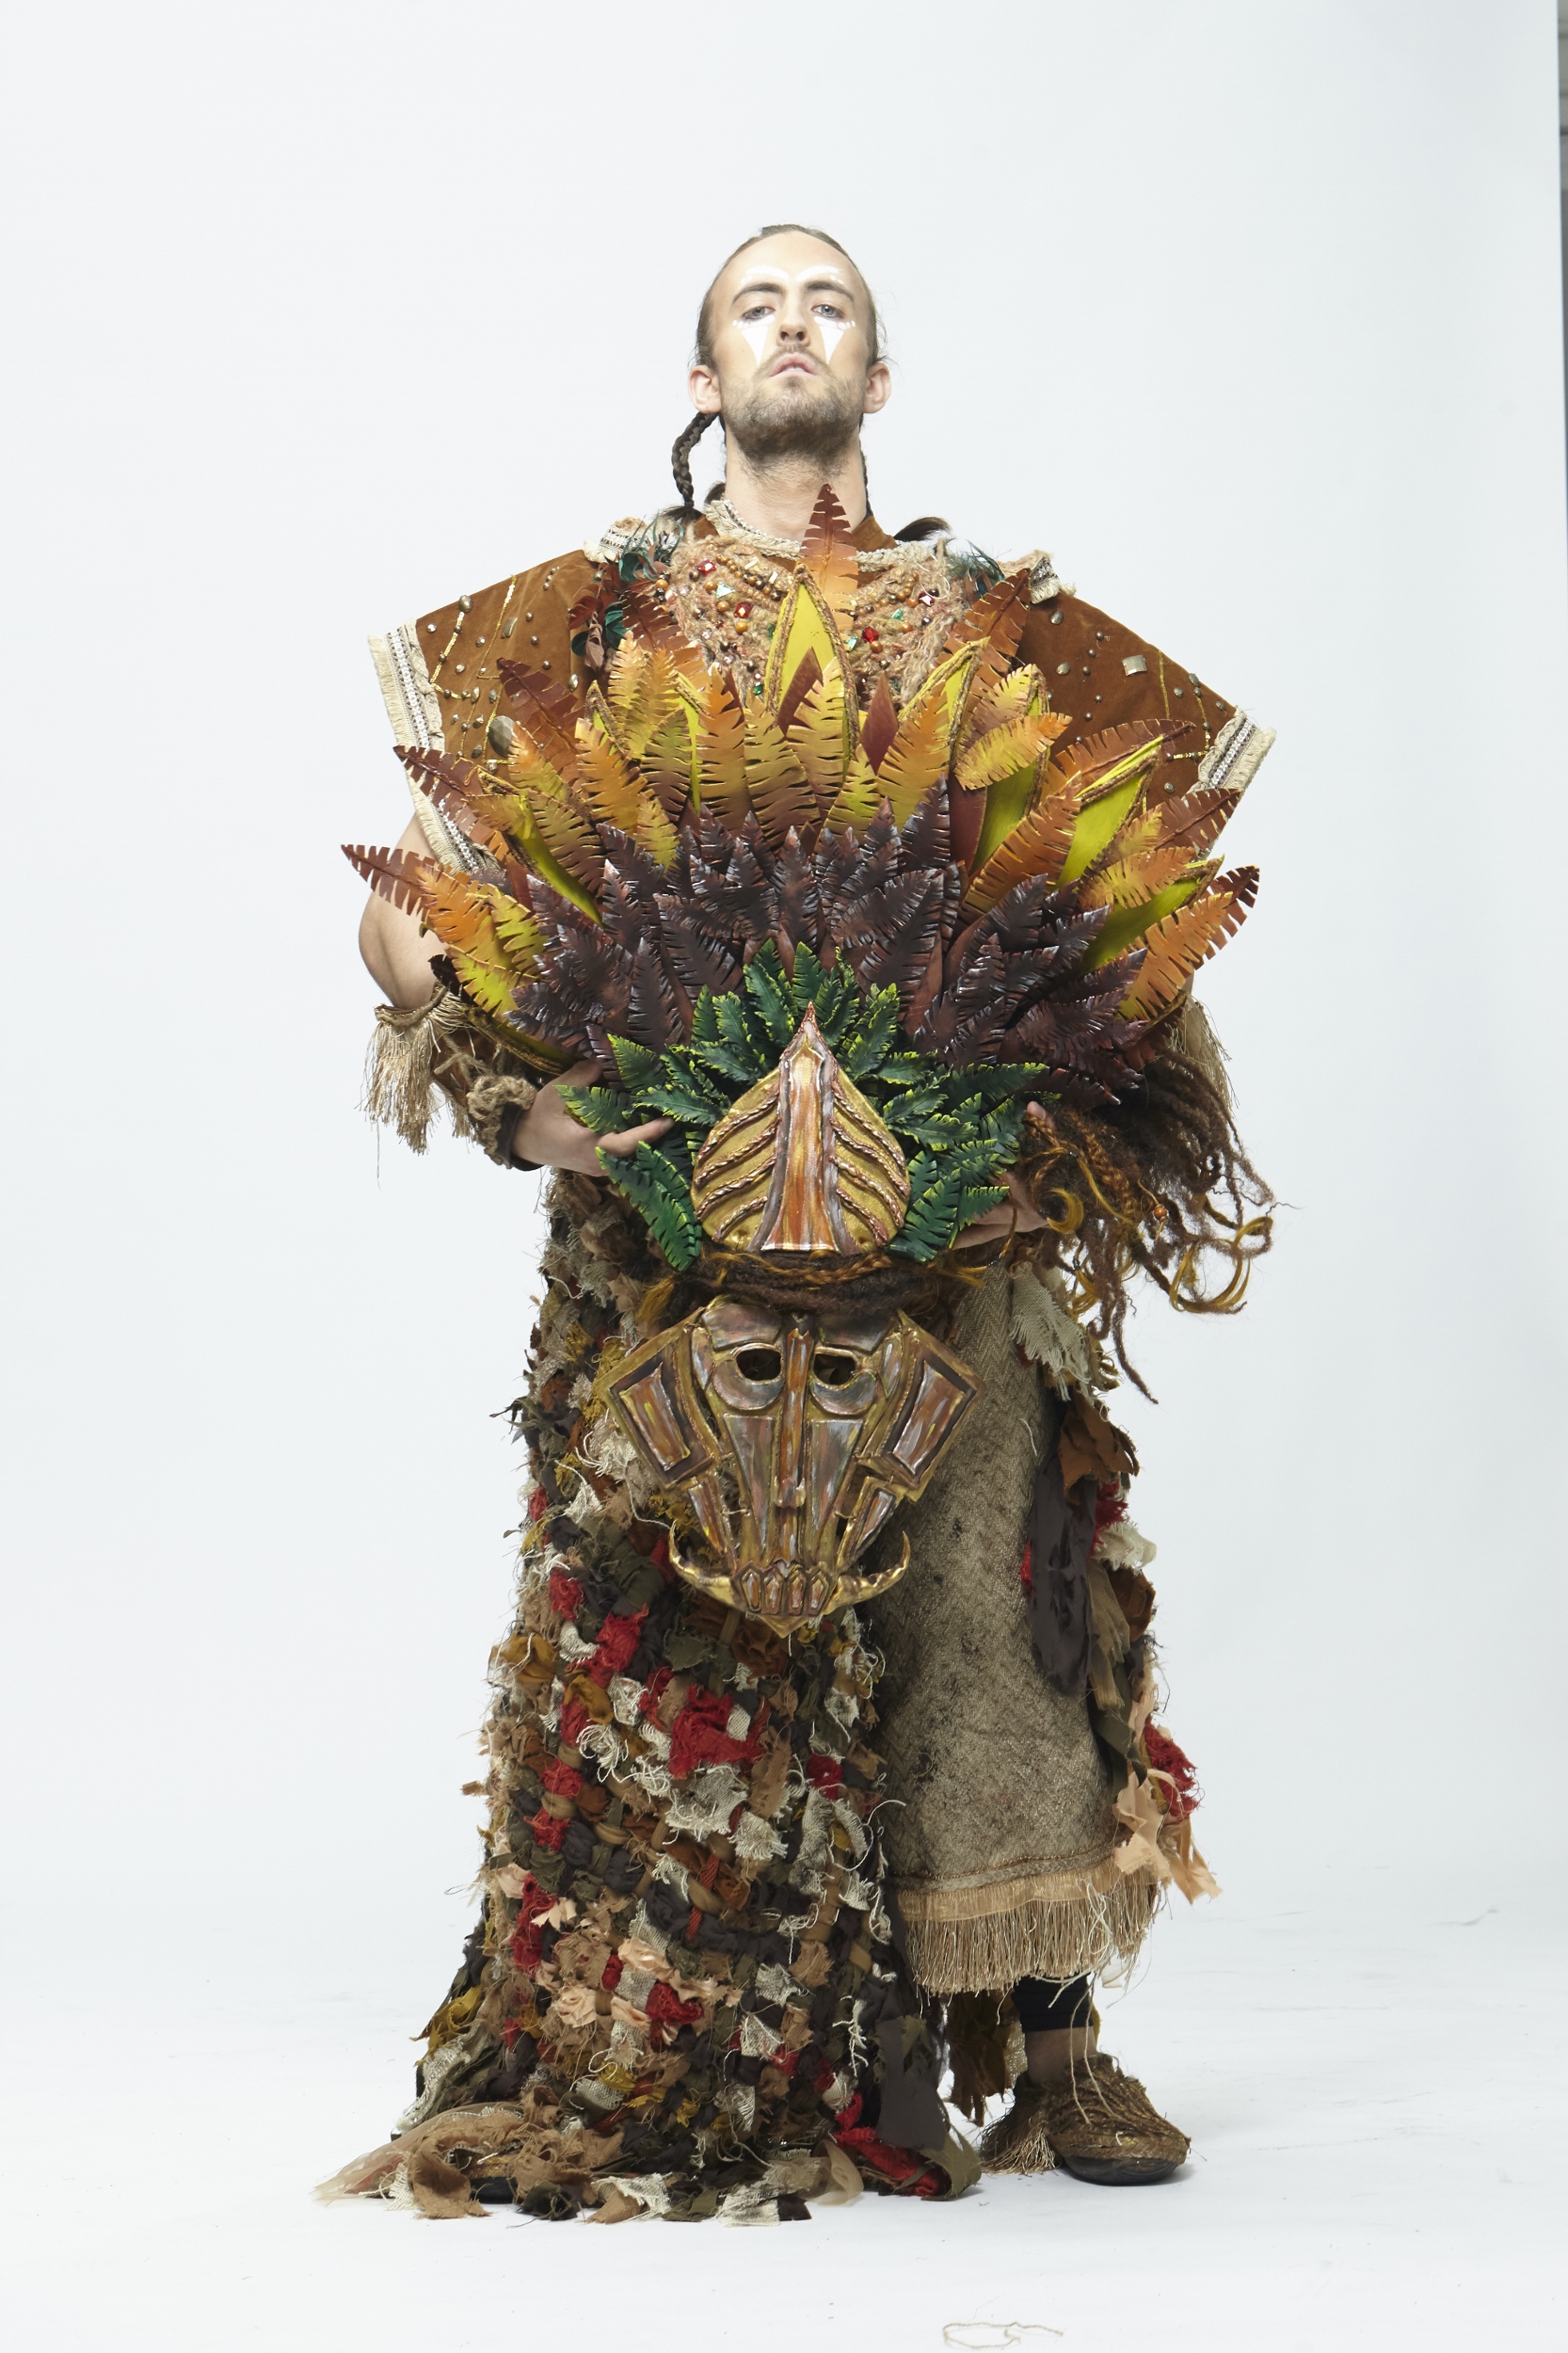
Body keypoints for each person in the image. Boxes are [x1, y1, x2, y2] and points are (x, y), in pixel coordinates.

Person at [334, 224, 1272, 2224]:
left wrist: (1048, 1127)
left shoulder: (997, 630)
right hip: (671, 1259)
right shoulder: (597, 620)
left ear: (875, 375)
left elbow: (1140, 936)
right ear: (702, 380)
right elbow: (410, 916)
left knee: (997, 1616)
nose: (790, 324)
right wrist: (517, 1103)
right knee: (688, 1641)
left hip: (951, 1248)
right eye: (754, 304)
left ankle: (1051, 2052)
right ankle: (732, 2048)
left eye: (824, 301)